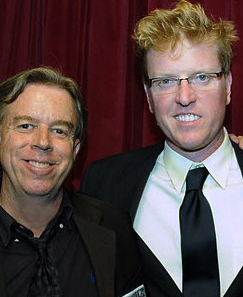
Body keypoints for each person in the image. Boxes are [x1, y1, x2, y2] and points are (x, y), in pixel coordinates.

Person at [80, 1, 243, 296]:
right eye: (166, 81)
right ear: (148, 96)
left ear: (228, 85)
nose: (184, 97)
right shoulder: (104, 186)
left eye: (202, 77)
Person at [0, 67, 145, 297]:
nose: (43, 142)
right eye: (26, 126)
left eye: (59, 130)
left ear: (75, 150)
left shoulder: (112, 228)